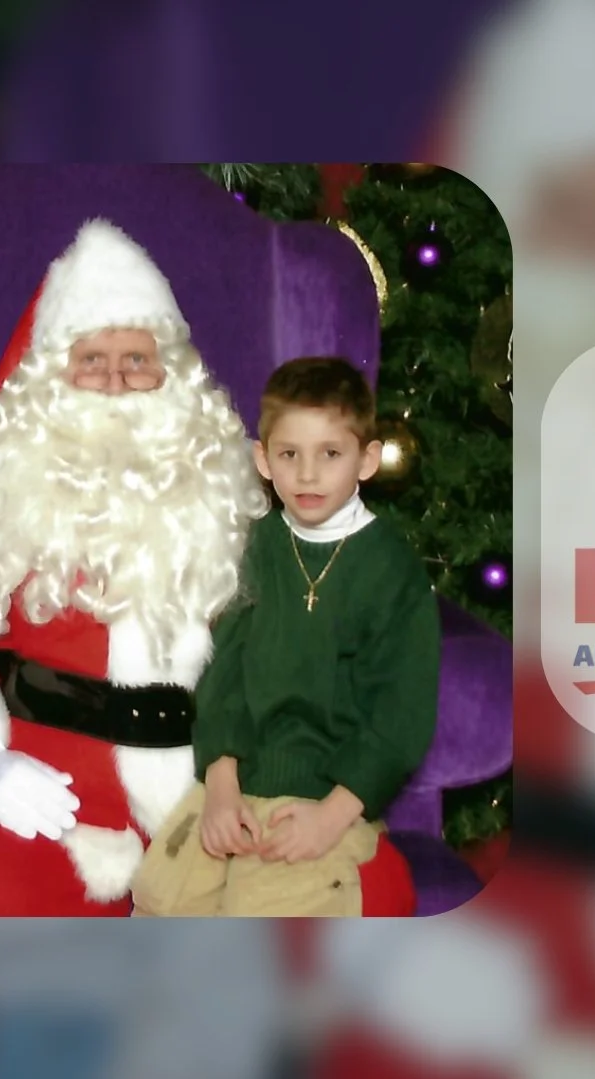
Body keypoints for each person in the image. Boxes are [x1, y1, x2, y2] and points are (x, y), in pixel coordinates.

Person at [0, 217, 268, 916]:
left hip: (208, 789)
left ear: (173, 377)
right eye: (91, 360)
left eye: (137, 360)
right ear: (49, 377)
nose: (114, 383)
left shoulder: (225, 500)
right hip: (48, 786)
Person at [130, 357, 435, 918]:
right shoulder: (257, 547)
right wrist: (221, 785)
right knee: (162, 896)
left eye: (331, 454)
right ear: (263, 460)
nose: (308, 474)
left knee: (263, 917)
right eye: (290, 455)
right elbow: (223, 674)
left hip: (326, 796)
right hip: (237, 781)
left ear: (367, 460)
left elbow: (401, 713)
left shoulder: (390, 570)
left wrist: (333, 816)